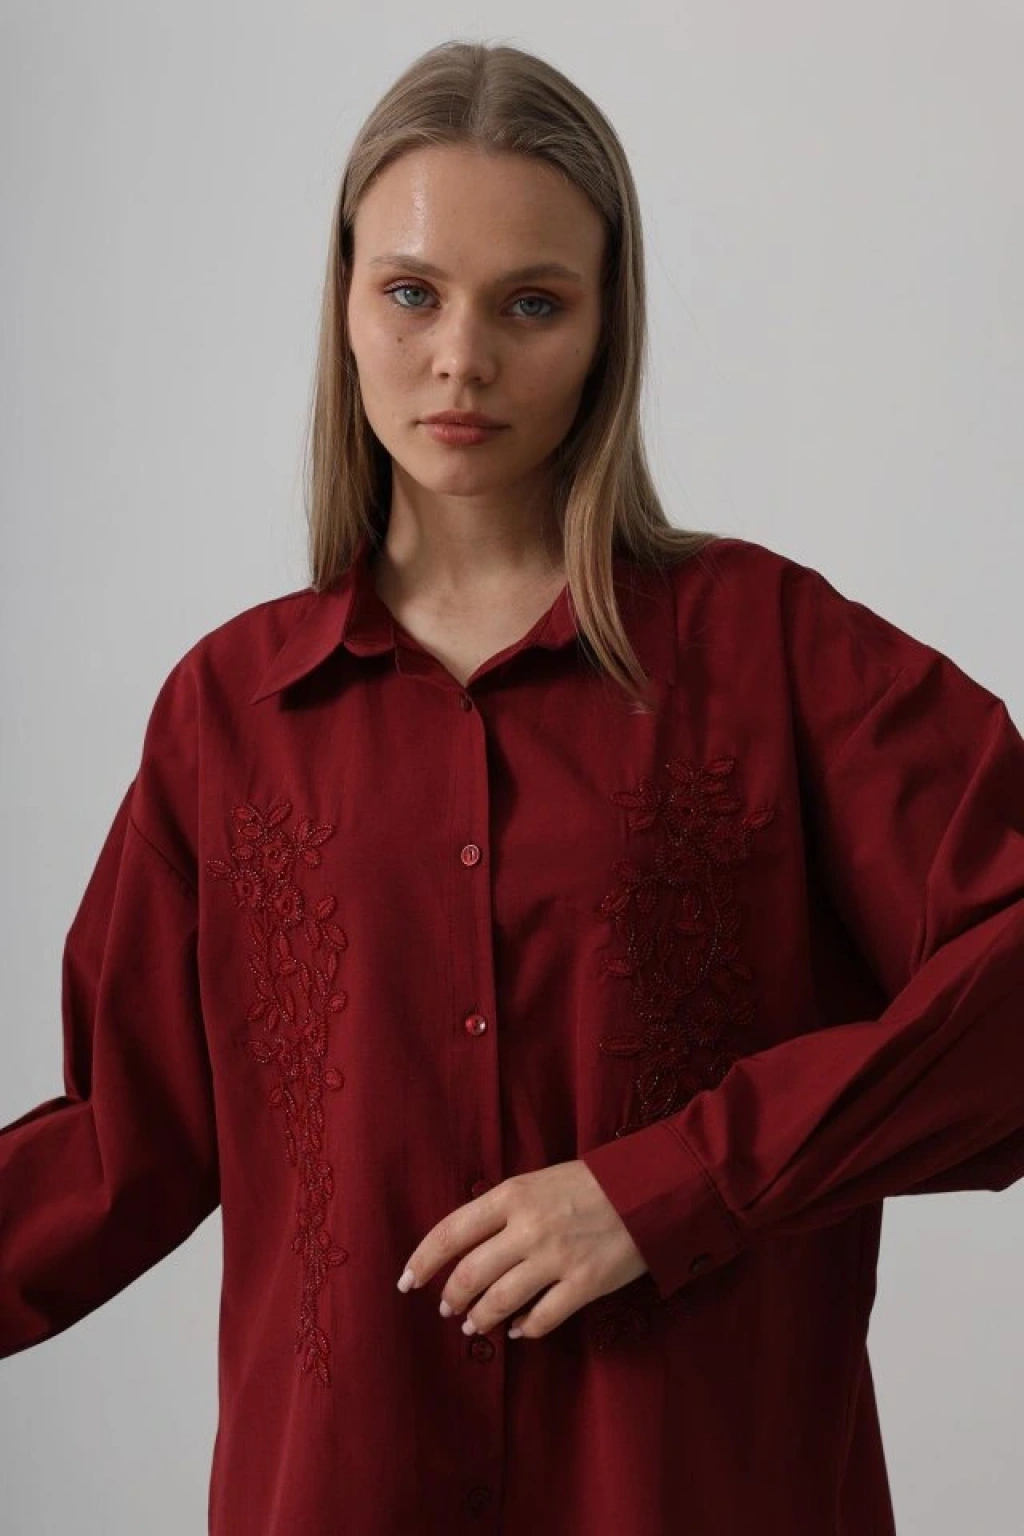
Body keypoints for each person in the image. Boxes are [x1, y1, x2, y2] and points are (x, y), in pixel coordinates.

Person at [3, 36, 1023, 1536]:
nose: (462, 359)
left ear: (609, 326)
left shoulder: (774, 654)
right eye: (412, 293)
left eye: (531, 303)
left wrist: (673, 1187)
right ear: (344, 306)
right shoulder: (228, 714)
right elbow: (121, 1147)